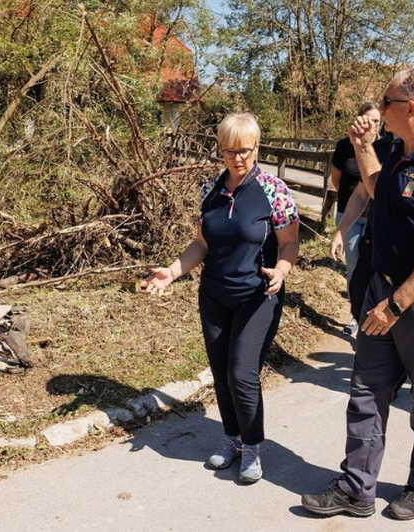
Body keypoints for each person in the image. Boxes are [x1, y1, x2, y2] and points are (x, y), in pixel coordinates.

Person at [301, 68, 414, 521]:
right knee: (365, 391)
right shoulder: (397, 150)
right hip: (383, 288)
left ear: (410, 107)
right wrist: (361, 147)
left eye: (387, 100)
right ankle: (356, 487)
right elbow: (379, 190)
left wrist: (397, 304)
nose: (379, 108)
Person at [141, 112, 299, 483]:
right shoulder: (210, 190)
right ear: (221, 150)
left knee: (241, 373)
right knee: (221, 374)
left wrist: (282, 270)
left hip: (257, 296)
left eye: (244, 150)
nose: (238, 158)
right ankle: (232, 440)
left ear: (256, 147)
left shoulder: (274, 190)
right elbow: (202, 243)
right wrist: (172, 271)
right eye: (230, 151)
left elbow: (290, 243)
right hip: (214, 294)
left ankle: (253, 449)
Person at [331, 102, 382, 336]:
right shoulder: (344, 146)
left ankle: (369, 313)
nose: (372, 124)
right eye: (368, 119)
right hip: (349, 214)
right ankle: (355, 315)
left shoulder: (384, 148)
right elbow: (337, 180)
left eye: (376, 121)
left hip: (374, 218)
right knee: (353, 266)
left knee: (371, 268)